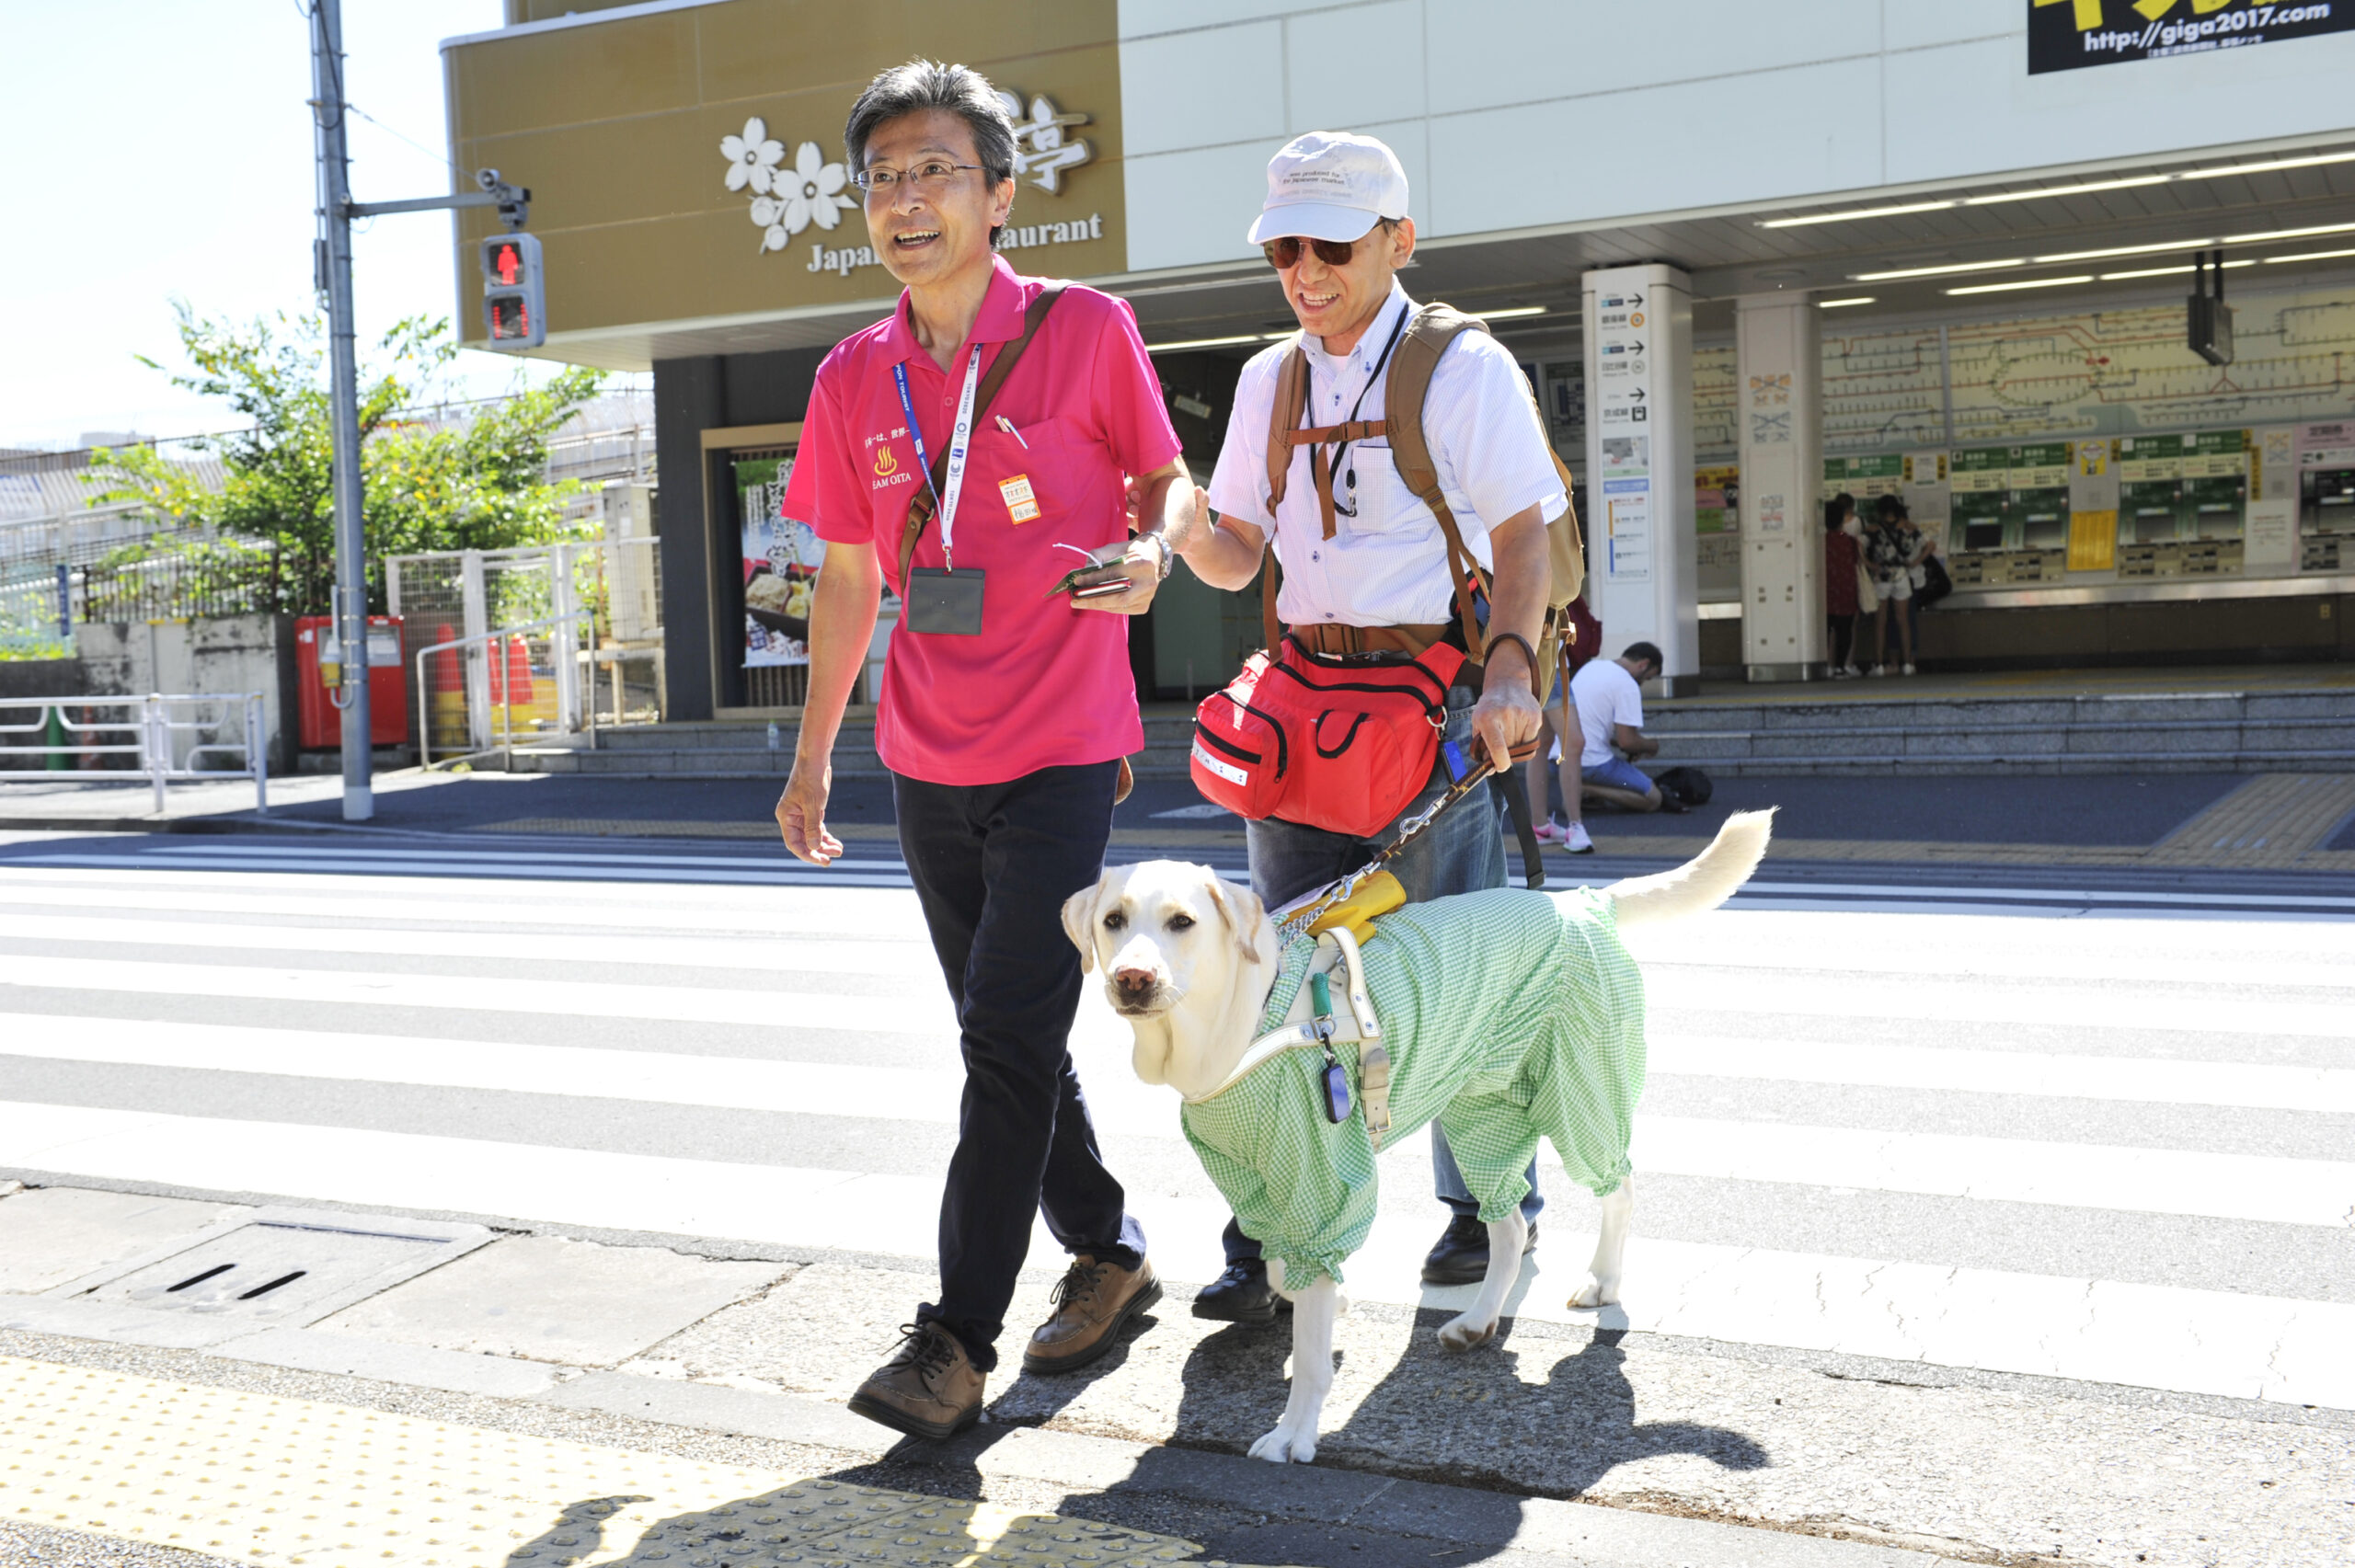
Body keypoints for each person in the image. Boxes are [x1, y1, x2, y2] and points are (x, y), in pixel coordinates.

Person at [772, 60, 1194, 1442]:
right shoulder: (853, 373)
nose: (907, 198)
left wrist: (1149, 554)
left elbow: (1164, 482)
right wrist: (814, 755)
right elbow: (845, 579)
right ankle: (1112, 1246)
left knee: (1007, 1040)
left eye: (936, 169)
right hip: (925, 761)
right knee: (1001, 1033)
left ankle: (954, 1344)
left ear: (1000, 193)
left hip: (1066, 748)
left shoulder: (1084, 330)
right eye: (884, 176)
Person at [1171, 131, 1561, 1317]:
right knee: (1278, 966)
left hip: (1430, 704)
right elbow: (1239, 550)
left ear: (1397, 241)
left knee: (1449, 967)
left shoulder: (1463, 366)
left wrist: (1508, 670)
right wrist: (1185, 523)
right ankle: (1276, 1220)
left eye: (1329, 245)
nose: (1304, 269)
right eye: (1283, 247)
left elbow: (1522, 531)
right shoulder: (1265, 380)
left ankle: (1483, 1206)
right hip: (1300, 705)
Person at [1571, 642, 1664, 812]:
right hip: (1590, 763)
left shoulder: (1590, 667)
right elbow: (1627, 742)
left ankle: (1579, 787)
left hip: (1559, 760)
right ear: (1643, 664)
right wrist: (1652, 746)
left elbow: (1591, 728)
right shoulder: (1627, 684)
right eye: (1646, 677)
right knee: (1653, 799)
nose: (1643, 682)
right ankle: (1582, 789)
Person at [1866, 494, 1925, 676]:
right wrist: (1915, 562)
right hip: (1901, 576)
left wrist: (1870, 565)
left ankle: (1879, 665)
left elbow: (1858, 547)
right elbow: (1928, 544)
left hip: (1882, 577)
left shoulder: (1872, 529)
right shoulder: (1907, 527)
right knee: (1903, 621)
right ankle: (1908, 664)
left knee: (1881, 622)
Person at [1824, 493, 1863, 679]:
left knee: (1825, 629)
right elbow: (1859, 562)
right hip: (1846, 590)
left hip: (1826, 591)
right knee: (1844, 630)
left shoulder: (1821, 542)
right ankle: (1840, 666)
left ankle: (1825, 665)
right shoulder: (1849, 541)